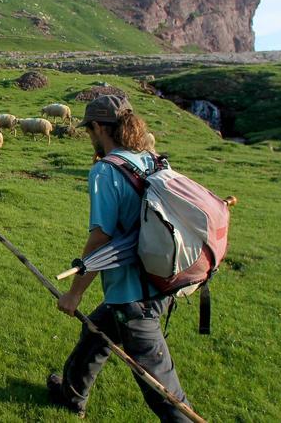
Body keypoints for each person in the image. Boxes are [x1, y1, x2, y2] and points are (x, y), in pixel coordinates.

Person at [46, 95, 192, 422]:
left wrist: (75, 293)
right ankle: (71, 394)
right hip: (161, 278)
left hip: (135, 297)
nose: (89, 136)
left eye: (89, 130)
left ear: (99, 128)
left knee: (159, 383)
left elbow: (101, 238)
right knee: (96, 334)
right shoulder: (152, 160)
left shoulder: (106, 170)